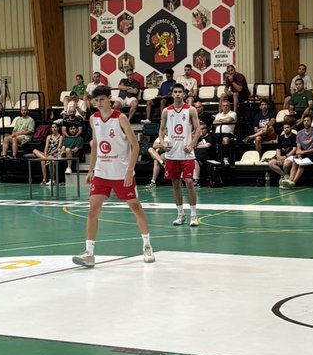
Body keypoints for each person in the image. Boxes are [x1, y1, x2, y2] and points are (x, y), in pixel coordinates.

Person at [72, 84, 154, 267]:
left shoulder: (121, 118)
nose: (99, 103)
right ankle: (89, 253)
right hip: (102, 172)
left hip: (121, 172)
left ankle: (147, 245)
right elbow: (95, 145)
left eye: (102, 99)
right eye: (96, 100)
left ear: (110, 99)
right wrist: (91, 169)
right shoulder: (94, 119)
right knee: (93, 209)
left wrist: (129, 170)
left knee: (135, 207)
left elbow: (135, 146)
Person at [159, 83, 202, 227]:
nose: (177, 94)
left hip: (186, 154)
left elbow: (198, 130)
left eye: (180, 92)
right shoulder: (166, 111)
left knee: (189, 182)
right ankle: (180, 214)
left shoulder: (191, 110)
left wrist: (191, 145)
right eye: (175, 92)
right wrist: (163, 143)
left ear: (184, 94)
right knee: (175, 184)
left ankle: (194, 215)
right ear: (172, 94)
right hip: (172, 154)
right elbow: (161, 130)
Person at [279, 114, 313, 187]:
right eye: (304, 121)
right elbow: (298, 148)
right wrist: (299, 155)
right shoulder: (299, 133)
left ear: (311, 122)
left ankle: (293, 183)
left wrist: (303, 152)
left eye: (308, 120)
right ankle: (290, 180)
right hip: (304, 155)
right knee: (295, 162)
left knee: (302, 164)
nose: (306, 122)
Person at [32, 121, 64, 185]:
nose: (54, 129)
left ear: (57, 128)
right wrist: (46, 154)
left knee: (43, 161)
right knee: (34, 151)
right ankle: (44, 179)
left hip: (55, 154)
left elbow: (59, 147)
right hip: (48, 154)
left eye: (55, 127)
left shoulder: (60, 137)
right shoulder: (49, 137)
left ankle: (51, 179)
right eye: (52, 127)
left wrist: (52, 152)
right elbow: (46, 147)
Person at [212, 95, 237, 161]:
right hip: (217, 134)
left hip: (228, 134)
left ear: (230, 106)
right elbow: (214, 123)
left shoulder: (233, 113)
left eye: (227, 105)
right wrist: (223, 120)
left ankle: (225, 158)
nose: (225, 107)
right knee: (208, 140)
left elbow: (229, 120)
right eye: (224, 106)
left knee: (225, 140)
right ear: (221, 107)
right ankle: (213, 158)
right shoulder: (218, 114)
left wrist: (219, 120)